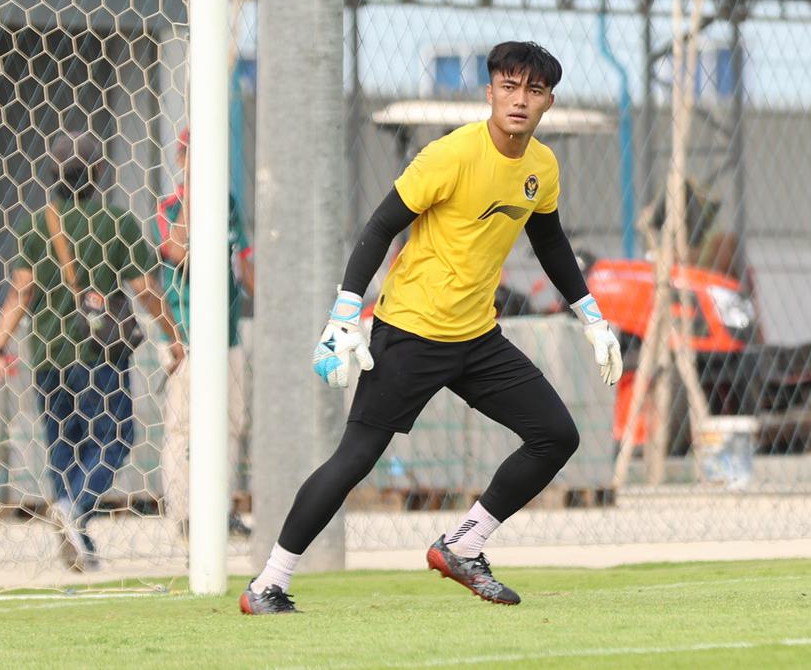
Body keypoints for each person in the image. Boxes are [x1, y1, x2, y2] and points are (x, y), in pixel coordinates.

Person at [239, 41, 623, 614]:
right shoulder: (451, 155)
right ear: (488, 91)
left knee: (556, 436)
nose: (520, 100)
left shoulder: (542, 167)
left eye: (533, 90)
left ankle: (463, 545)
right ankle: (269, 582)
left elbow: (549, 240)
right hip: (409, 333)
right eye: (509, 87)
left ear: (547, 101)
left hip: (477, 338)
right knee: (355, 459)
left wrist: (591, 316)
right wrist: (345, 313)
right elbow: (379, 226)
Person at [0, 131, 185, 572]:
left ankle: (73, 526)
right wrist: (173, 335)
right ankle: (75, 510)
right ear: (99, 173)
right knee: (116, 437)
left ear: (50, 175)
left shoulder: (35, 224)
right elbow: (145, 290)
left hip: (49, 355)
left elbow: (21, 292)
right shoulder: (116, 221)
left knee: (63, 445)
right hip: (99, 356)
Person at [152, 127, 254, 539]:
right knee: (183, 427)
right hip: (186, 334)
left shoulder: (228, 204)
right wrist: (193, 189)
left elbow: (244, 262)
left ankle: (222, 506)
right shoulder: (170, 206)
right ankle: (184, 513)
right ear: (181, 159)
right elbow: (177, 252)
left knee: (232, 422)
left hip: (226, 333)